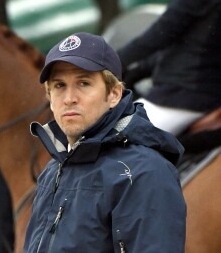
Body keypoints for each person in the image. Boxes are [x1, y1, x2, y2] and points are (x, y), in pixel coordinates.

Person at [23, 32, 186, 252]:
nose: (69, 98)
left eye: (83, 83)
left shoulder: (146, 172)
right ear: (49, 98)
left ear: (114, 94)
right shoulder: (53, 170)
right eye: (59, 85)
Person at [117, 0, 221, 135]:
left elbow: (167, 28)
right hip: (198, 91)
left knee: (105, 144)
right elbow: (195, 40)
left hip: (187, 96)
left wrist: (109, 61)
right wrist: (138, 68)